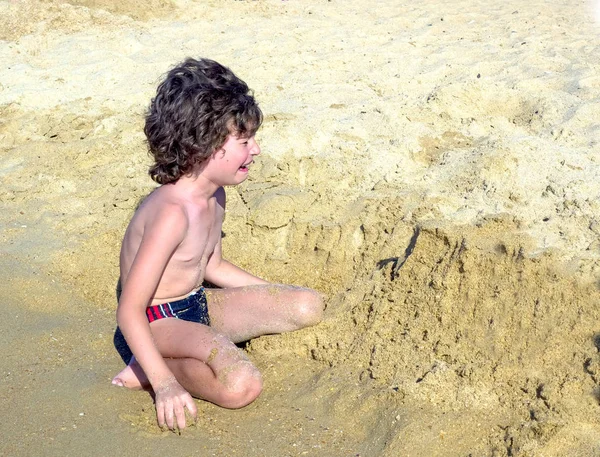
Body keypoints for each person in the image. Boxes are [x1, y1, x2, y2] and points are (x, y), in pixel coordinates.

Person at [111, 58, 324, 431]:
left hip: (197, 304)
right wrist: (165, 386)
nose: (255, 150)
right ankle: (147, 367)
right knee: (241, 385)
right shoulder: (171, 213)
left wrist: (270, 292)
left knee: (308, 306)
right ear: (202, 145)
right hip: (156, 323)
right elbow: (130, 309)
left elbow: (212, 268)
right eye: (244, 141)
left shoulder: (215, 196)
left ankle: (191, 350)